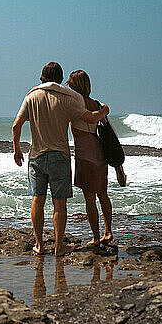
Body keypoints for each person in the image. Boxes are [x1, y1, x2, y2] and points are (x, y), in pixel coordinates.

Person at [12, 62, 109, 257]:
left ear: (42, 76)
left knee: (37, 201)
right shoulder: (67, 98)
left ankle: (39, 245)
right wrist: (104, 111)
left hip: (36, 156)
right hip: (60, 156)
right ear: (60, 77)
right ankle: (58, 247)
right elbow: (90, 118)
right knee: (59, 203)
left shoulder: (31, 96)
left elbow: (16, 125)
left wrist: (16, 149)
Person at [66, 69, 126, 246]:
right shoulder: (99, 105)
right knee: (103, 195)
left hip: (85, 157)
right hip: (100, 156)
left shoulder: (74, 105)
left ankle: (96, 237)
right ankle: (108, 232)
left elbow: (89, 120)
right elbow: (110, 133)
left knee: (90, 200)